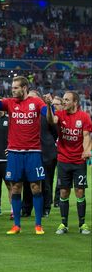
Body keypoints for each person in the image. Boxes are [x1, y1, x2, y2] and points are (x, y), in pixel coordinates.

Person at [0, 76, 48, 235]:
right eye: (12, 88)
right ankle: (16, 225)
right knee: (15, 187)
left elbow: (47, 113)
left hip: (33, 152)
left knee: (36, 188)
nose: (12, 90)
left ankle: (38, 225)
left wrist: (49, 105)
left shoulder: (36, 102)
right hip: (15, 153)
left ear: (24, 88)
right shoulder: (9, 102)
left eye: (15, 88)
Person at [46, 91, 91, 235]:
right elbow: (51, 120)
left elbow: (86, 136)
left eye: (67, 100)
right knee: (64, 192)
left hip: (79, 161)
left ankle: (82, 224)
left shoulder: (84, 117)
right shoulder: (60, 114)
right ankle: (63, 224)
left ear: (75, 102)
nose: (64, 102)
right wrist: (48, 104)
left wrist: (87, 150)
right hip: (63, 160)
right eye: (63, 99)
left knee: (79, 191)